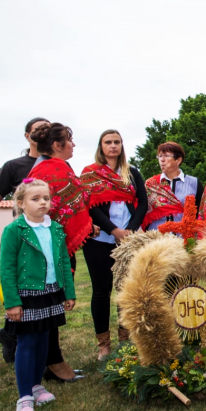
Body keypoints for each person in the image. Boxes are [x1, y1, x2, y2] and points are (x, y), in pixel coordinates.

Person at [0, 179, 76, 411]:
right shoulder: (15, 230)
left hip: (51, 292)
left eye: (46, 198)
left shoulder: (55, 228)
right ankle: (24, 396)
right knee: (27, 343)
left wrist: (69, 293)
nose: (43, 202)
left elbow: (64, 261)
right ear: (20, 203)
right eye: (36, 199)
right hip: (27, 295)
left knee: (44, 340)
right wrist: (12, 301)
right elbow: (7, 268)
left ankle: (36, 386)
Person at [28, 122, 90, 383]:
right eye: (69, 140)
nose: (73, 144)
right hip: (53, 249)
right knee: (51, 304)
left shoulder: (43, 168)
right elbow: (65, 209)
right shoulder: (55, 169)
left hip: (49, 244)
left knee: (50, 304)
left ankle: (51, 361)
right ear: (57, 145)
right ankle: (53, 363)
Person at [81, 130, 148, 359]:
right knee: (101, 291)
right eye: (108, 142)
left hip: (128, 240)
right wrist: (114, 230)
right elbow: (90, 206)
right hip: (100, 240)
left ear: (121, 145)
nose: (113, 146)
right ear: (101, 146)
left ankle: (125, 341)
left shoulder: (132, 172)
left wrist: (130, 230)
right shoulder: (90, 173)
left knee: (125, 291)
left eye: (117, 142)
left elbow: (143, 202)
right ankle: (104, 346)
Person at [0, 117, 50, 364]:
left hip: (51, 236)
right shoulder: (13, 165)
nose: (43, 133)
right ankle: (11, 334)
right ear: (28, 136)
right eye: (38, 129)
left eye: (48, 129)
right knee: (24, 290)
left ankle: (44, 353)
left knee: (49, 292)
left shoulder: (56, 164)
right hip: (24, 239)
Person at [142, 142, 204, 231]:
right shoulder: (151, 184)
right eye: (160, 156)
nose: (162, 160)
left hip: (185, 238)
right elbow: (143, 212)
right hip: (156, 238)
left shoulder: (194, 182)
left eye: (166, 156)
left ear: (178, 160)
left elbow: (201, 213)